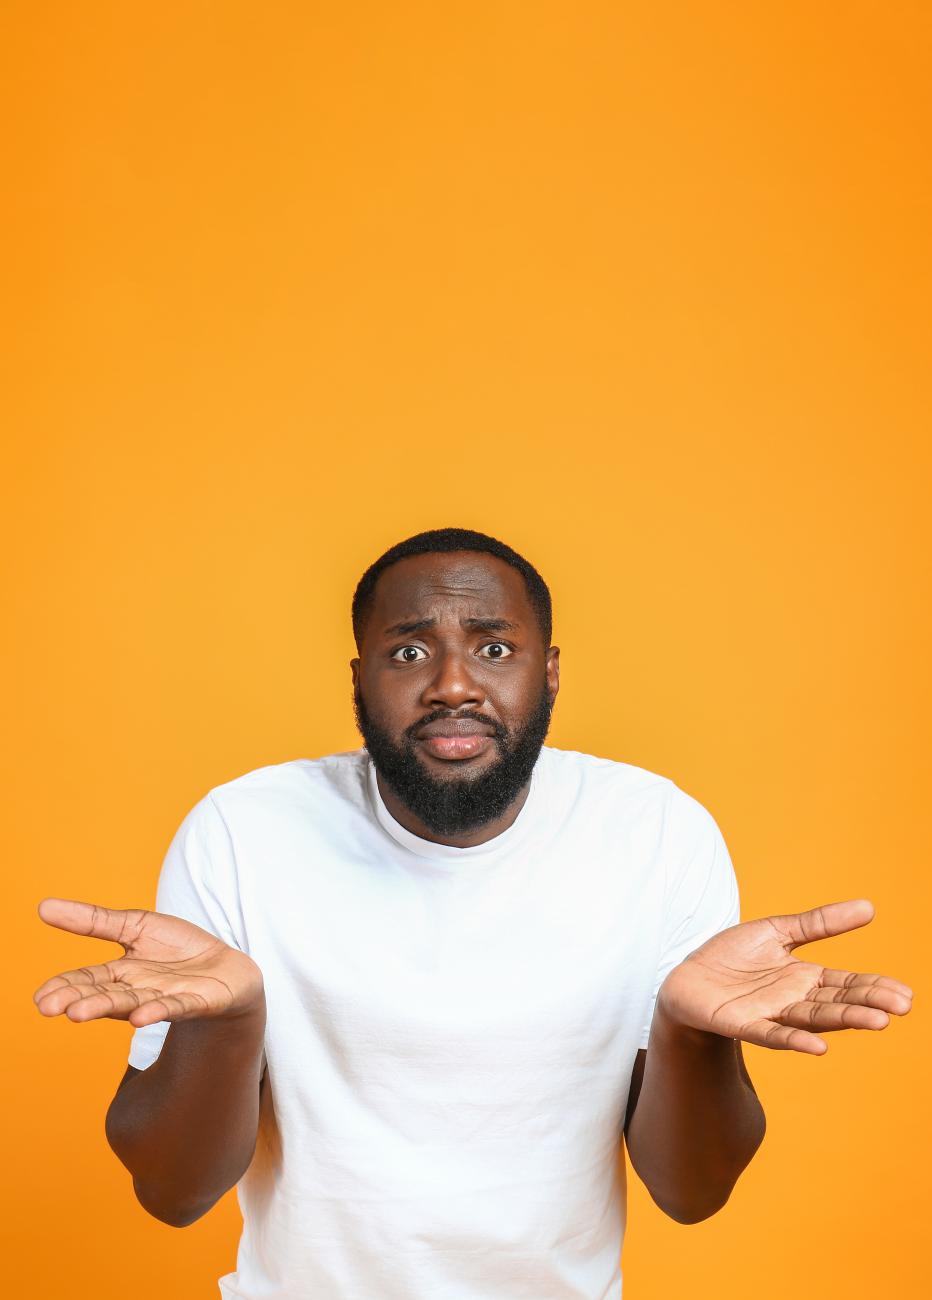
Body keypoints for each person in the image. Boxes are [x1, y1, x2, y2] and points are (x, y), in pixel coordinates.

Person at [34, 527, 912, 1300]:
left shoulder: (655, 831)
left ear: (551, 672)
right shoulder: (244, 830)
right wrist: (230, 1022)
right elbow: (171, 1192)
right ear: (360, 679)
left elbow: (692, 1193)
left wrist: (689, 1028)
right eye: (409, 653)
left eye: (494, 648)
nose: (453, 684)